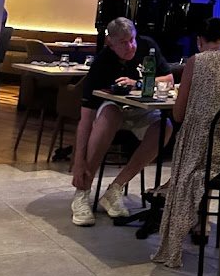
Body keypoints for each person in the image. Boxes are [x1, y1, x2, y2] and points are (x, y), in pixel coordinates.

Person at [70, 17, 173, 226]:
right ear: (111, 42)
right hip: (111, 111)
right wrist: (78, 161)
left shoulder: (147, 46)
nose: (131, 46)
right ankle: (82, 191)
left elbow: (168, 79)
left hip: (140, 109)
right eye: (124, 43)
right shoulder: (102, 63)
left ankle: (115, 188)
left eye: (132, 39)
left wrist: (138, 82)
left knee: (165, 127)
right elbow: (86, 119)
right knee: (111, 114)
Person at [152, 16, 220, 268]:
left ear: (199, 40)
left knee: (193, 147)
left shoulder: (195, 62)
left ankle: (183, 218)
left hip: (202, 153)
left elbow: (178, 114)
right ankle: (201, 224)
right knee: (206, 145)